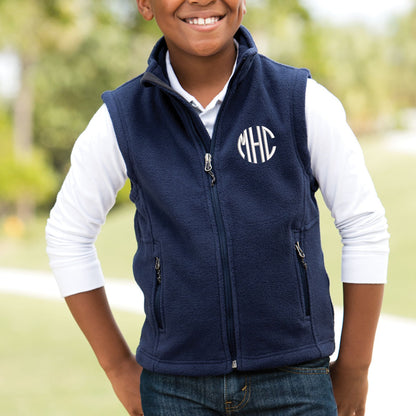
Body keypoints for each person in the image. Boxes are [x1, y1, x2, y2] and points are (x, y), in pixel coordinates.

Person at [45, 0, 389, 415]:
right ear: (145, 4)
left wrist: (354, 366)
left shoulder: (301, 101)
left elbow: (364, 227)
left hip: (295, 385)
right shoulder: (121, 118)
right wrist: (118, 366)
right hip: (175, 391)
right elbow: (68, 235)